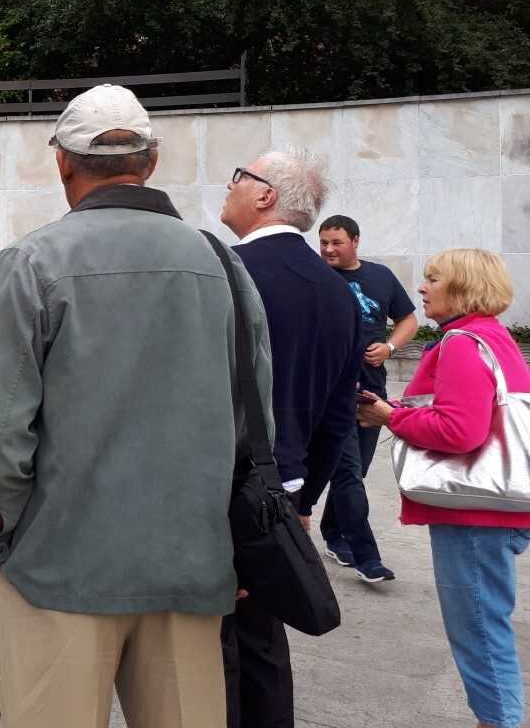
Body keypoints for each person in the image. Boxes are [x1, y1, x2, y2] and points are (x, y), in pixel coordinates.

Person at [0, 85, 272, 728]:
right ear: (151, 161)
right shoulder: (221, 261)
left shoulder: (29, 262)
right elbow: (255, 421)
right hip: (190, 565)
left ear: (63, 163)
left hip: (58, 565)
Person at [218, 150, 361, 728]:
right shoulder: (336, 292)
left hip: (224, 488)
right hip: (284, 488)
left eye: (238, 176)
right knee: (263, 641)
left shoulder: (227, 273)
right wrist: (303, 497)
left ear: (265, 195)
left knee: (214, 641)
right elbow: (337, 415)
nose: (228, 186)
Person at [359, 249, 530, 728]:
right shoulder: (494, 338)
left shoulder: (462, 342)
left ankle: (498, 721)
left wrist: (391, 417)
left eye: (433, 279)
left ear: (462, 286)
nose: (422, 287)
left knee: (479, 629)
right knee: (486, 624)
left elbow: (460, 431)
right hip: (494, 509)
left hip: (473, 514)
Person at [317, 215, 418, 580]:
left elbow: (409, 320)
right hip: (331, 391)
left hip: (373, 391)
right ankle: (366, 557)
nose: (328, 249)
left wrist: (390, 347)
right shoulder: (315, 277)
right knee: (347, 472)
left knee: (353, 470)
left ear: (355, 241)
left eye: (336, 242)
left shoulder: (381, 277)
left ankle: (333, 534)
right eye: (324, 242)